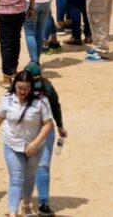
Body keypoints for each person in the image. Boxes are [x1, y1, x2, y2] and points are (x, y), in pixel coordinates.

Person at [0, 70, 55, 217]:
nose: (23, 91)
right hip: (12, 143)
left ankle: (26, 205)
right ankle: (13, 211)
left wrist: (36, 143)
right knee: (16, 177)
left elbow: (48, 124)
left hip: (34, 146)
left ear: (32, 87)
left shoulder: (41, 101)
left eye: (26, 88)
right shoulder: (7, 99)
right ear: (14, 86)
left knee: (29, 176)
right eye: (19, 88)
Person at [23, 63, 65, 216]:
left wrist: (60, 126)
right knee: (31, 166)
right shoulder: (20, 87)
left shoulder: (45, 86)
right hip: (30, 131)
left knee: (39, 166)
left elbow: (55, 106)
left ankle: (41, 202)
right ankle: (31, 202)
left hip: (40, 130)